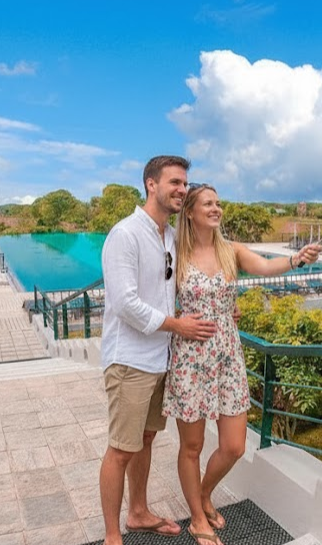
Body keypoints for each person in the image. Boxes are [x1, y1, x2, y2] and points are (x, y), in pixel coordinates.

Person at [163, 183, 322, 545]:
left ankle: (203, 494)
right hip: (190, 356)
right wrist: (176, 320)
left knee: (234, 445)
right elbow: (156, 295)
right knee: (191, 446)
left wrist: (297, 259)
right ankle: (197, 518)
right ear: (189, 212)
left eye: (218, 203)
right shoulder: (175, 253)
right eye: (208, 203)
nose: (216, 209)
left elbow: (266, 267)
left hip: (228, 356)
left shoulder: (230, 250)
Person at [98, 155, 218, 545]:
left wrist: (187, 313)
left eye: (185, 183)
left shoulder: (167, 235)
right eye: (175, 183)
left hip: (159, 358)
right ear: (151, 184)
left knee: (145, 441)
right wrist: (177, 324)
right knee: (120, 449)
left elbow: (165, 290)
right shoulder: (126, 234)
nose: (182, 189)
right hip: (129, 360)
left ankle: (138, 511)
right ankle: (113, 535)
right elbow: (125, 303)